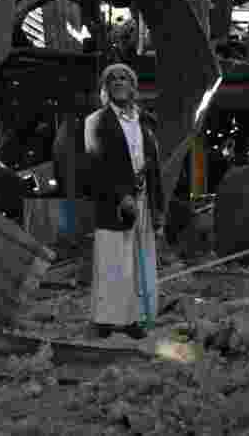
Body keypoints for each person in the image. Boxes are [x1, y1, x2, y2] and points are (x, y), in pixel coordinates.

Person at [84, 63, 164, 340]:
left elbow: (154, 166)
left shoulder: (143, 121)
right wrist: (122, 196)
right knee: (111, 260)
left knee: (139, 261)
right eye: (113, 78)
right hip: (113, 204)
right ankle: (104, 321)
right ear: (105, 87)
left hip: (142, 201)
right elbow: (97, 165)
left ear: (132, 86)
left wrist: (158, 209)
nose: (119, 82)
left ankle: (134, 319)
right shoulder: (95, 122)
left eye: (124, 78)